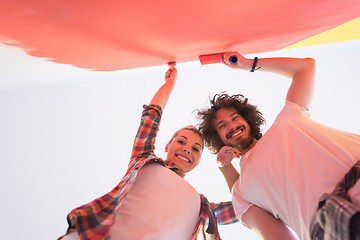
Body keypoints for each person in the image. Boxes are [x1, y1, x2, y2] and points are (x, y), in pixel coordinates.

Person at [57, 64, 239, 240]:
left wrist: (227, 164)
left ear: (198, 161)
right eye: (181, 141)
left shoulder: (201, 207)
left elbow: (243, 207)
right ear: (167, 146)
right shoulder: (144, 160)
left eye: (195, 149)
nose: (186, 149)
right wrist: (169, 85)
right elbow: (150, 118)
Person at [196, 52, 360, 240]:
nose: (232, 126)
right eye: (222, 126)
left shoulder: (287, 119)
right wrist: (224, 166)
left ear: (248, 119)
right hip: (332, 224)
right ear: (218, 139)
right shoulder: (241, 193)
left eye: (235, 118)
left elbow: (306, 68)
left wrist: (248, 64)